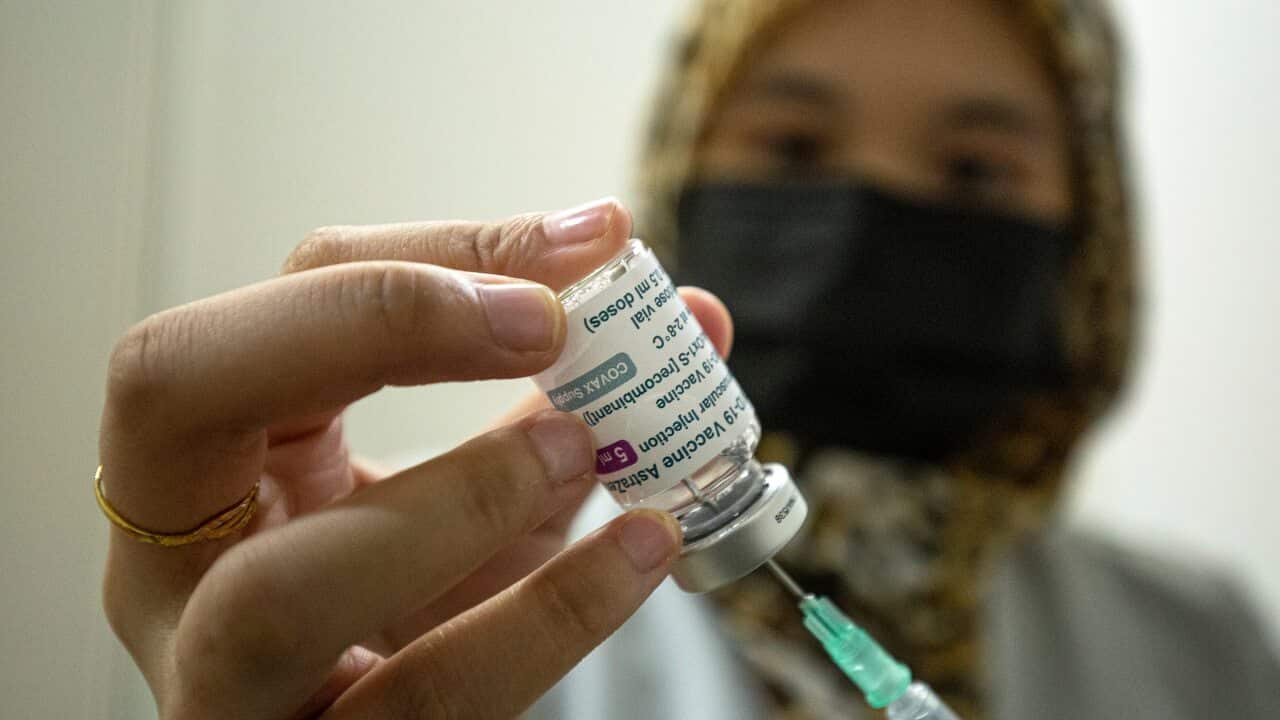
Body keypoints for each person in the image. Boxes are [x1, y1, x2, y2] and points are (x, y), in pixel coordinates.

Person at [98, 2, 1279, 720]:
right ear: (678, 168)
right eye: (794, 141)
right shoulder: (423, 627)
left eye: (975, 171)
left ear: (1090, 250)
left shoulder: (1207, 654)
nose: (865, 216)